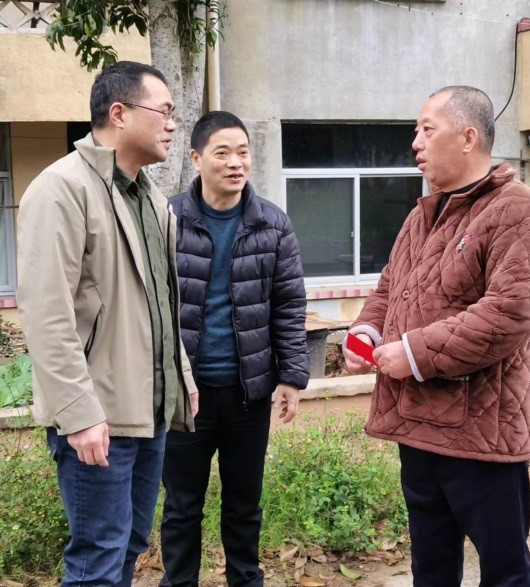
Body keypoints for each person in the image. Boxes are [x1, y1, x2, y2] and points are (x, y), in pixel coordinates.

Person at [343, 86, 530, 586]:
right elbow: (391, 286)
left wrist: (415, 353)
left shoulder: (518, 212)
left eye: (427, 129)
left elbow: (509, 314)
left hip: (481, 433)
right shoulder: (423, 213)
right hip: (417, 425)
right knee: (431, 566)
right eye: (415, 131)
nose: (415, 142)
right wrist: (366, 330)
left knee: (505, 571)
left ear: (467, 137)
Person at [16, 60, 199, 587]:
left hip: (148, 410)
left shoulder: (151, 199)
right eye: (164, 111)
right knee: (97, 558)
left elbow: (161, 302)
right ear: (119, 114)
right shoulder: (62, 189)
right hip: (98, 415)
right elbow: (46, 313)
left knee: (131, 545)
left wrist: (183, 379)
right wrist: (77, 412)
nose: (173, 124)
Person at [160, 111, 309, 587]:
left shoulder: (272, 223)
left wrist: (292, 377)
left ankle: (246, 580)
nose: (235, 163)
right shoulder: (167, 219)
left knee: (245, 504)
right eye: (222, 152)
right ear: (196, 158)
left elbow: (289, 304)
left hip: (248, 394)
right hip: (186, 395)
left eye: (243, 152)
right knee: (182, 506)